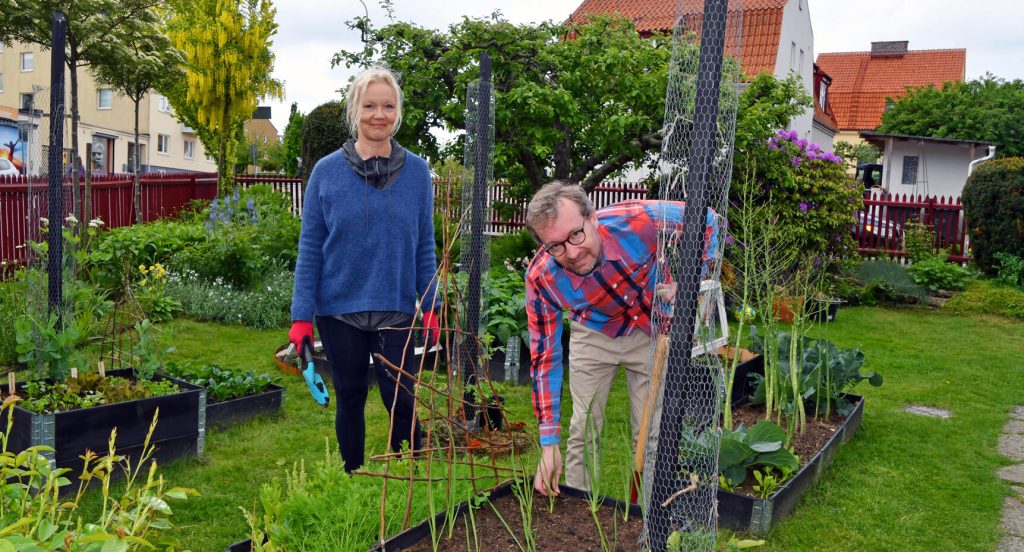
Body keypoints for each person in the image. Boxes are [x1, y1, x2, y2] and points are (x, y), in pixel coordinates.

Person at [289, 66, 440, 473]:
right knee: (350, 396)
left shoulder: (418, 174)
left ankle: (406, 476)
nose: (379, 114)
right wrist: (301, 318)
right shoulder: (326, 172)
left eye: (388, 106)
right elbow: (310, 249)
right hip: (339, 310)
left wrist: (431, 303)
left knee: (401, 399)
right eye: (370, 105)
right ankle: (353, 479)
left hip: (395, 307)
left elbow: (424, 244)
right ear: (355, 110)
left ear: (398, 112)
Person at [524, 181, 718, 495]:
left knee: (653, 433)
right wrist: (548, 445)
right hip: (593, 333)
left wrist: (692, 280)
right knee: (583, 429)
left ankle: (651, 521)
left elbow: (708, 220)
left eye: (576, 234)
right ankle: (580, 518)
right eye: (556, 246)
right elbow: (545, 360)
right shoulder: (542, 278)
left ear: (592, 218)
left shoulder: (638, 221)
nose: (571, 253)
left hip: (650, 329)